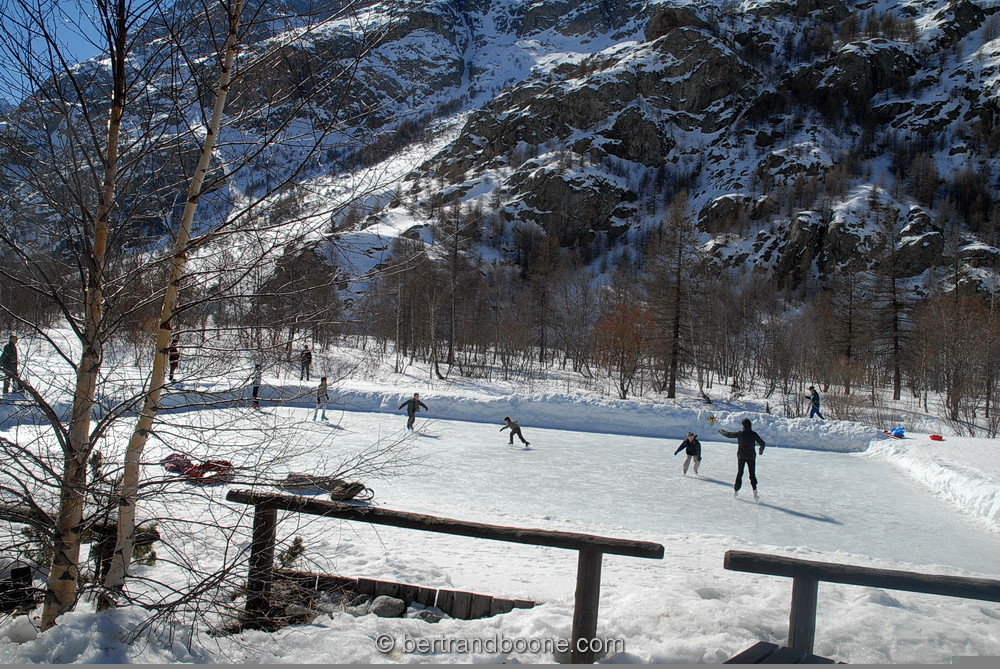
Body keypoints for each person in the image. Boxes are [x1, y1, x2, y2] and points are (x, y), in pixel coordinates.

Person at [717, 418, 766, 501]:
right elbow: (763, 443)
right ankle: (755, 494)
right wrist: (761, 450)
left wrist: (720, 430)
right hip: (751, 457)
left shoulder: (740, 433)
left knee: (740, 473)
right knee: (752, 475)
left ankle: (736, 492)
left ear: (743, 425)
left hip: (741, 456)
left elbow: (728, 434)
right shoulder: (753, 434)